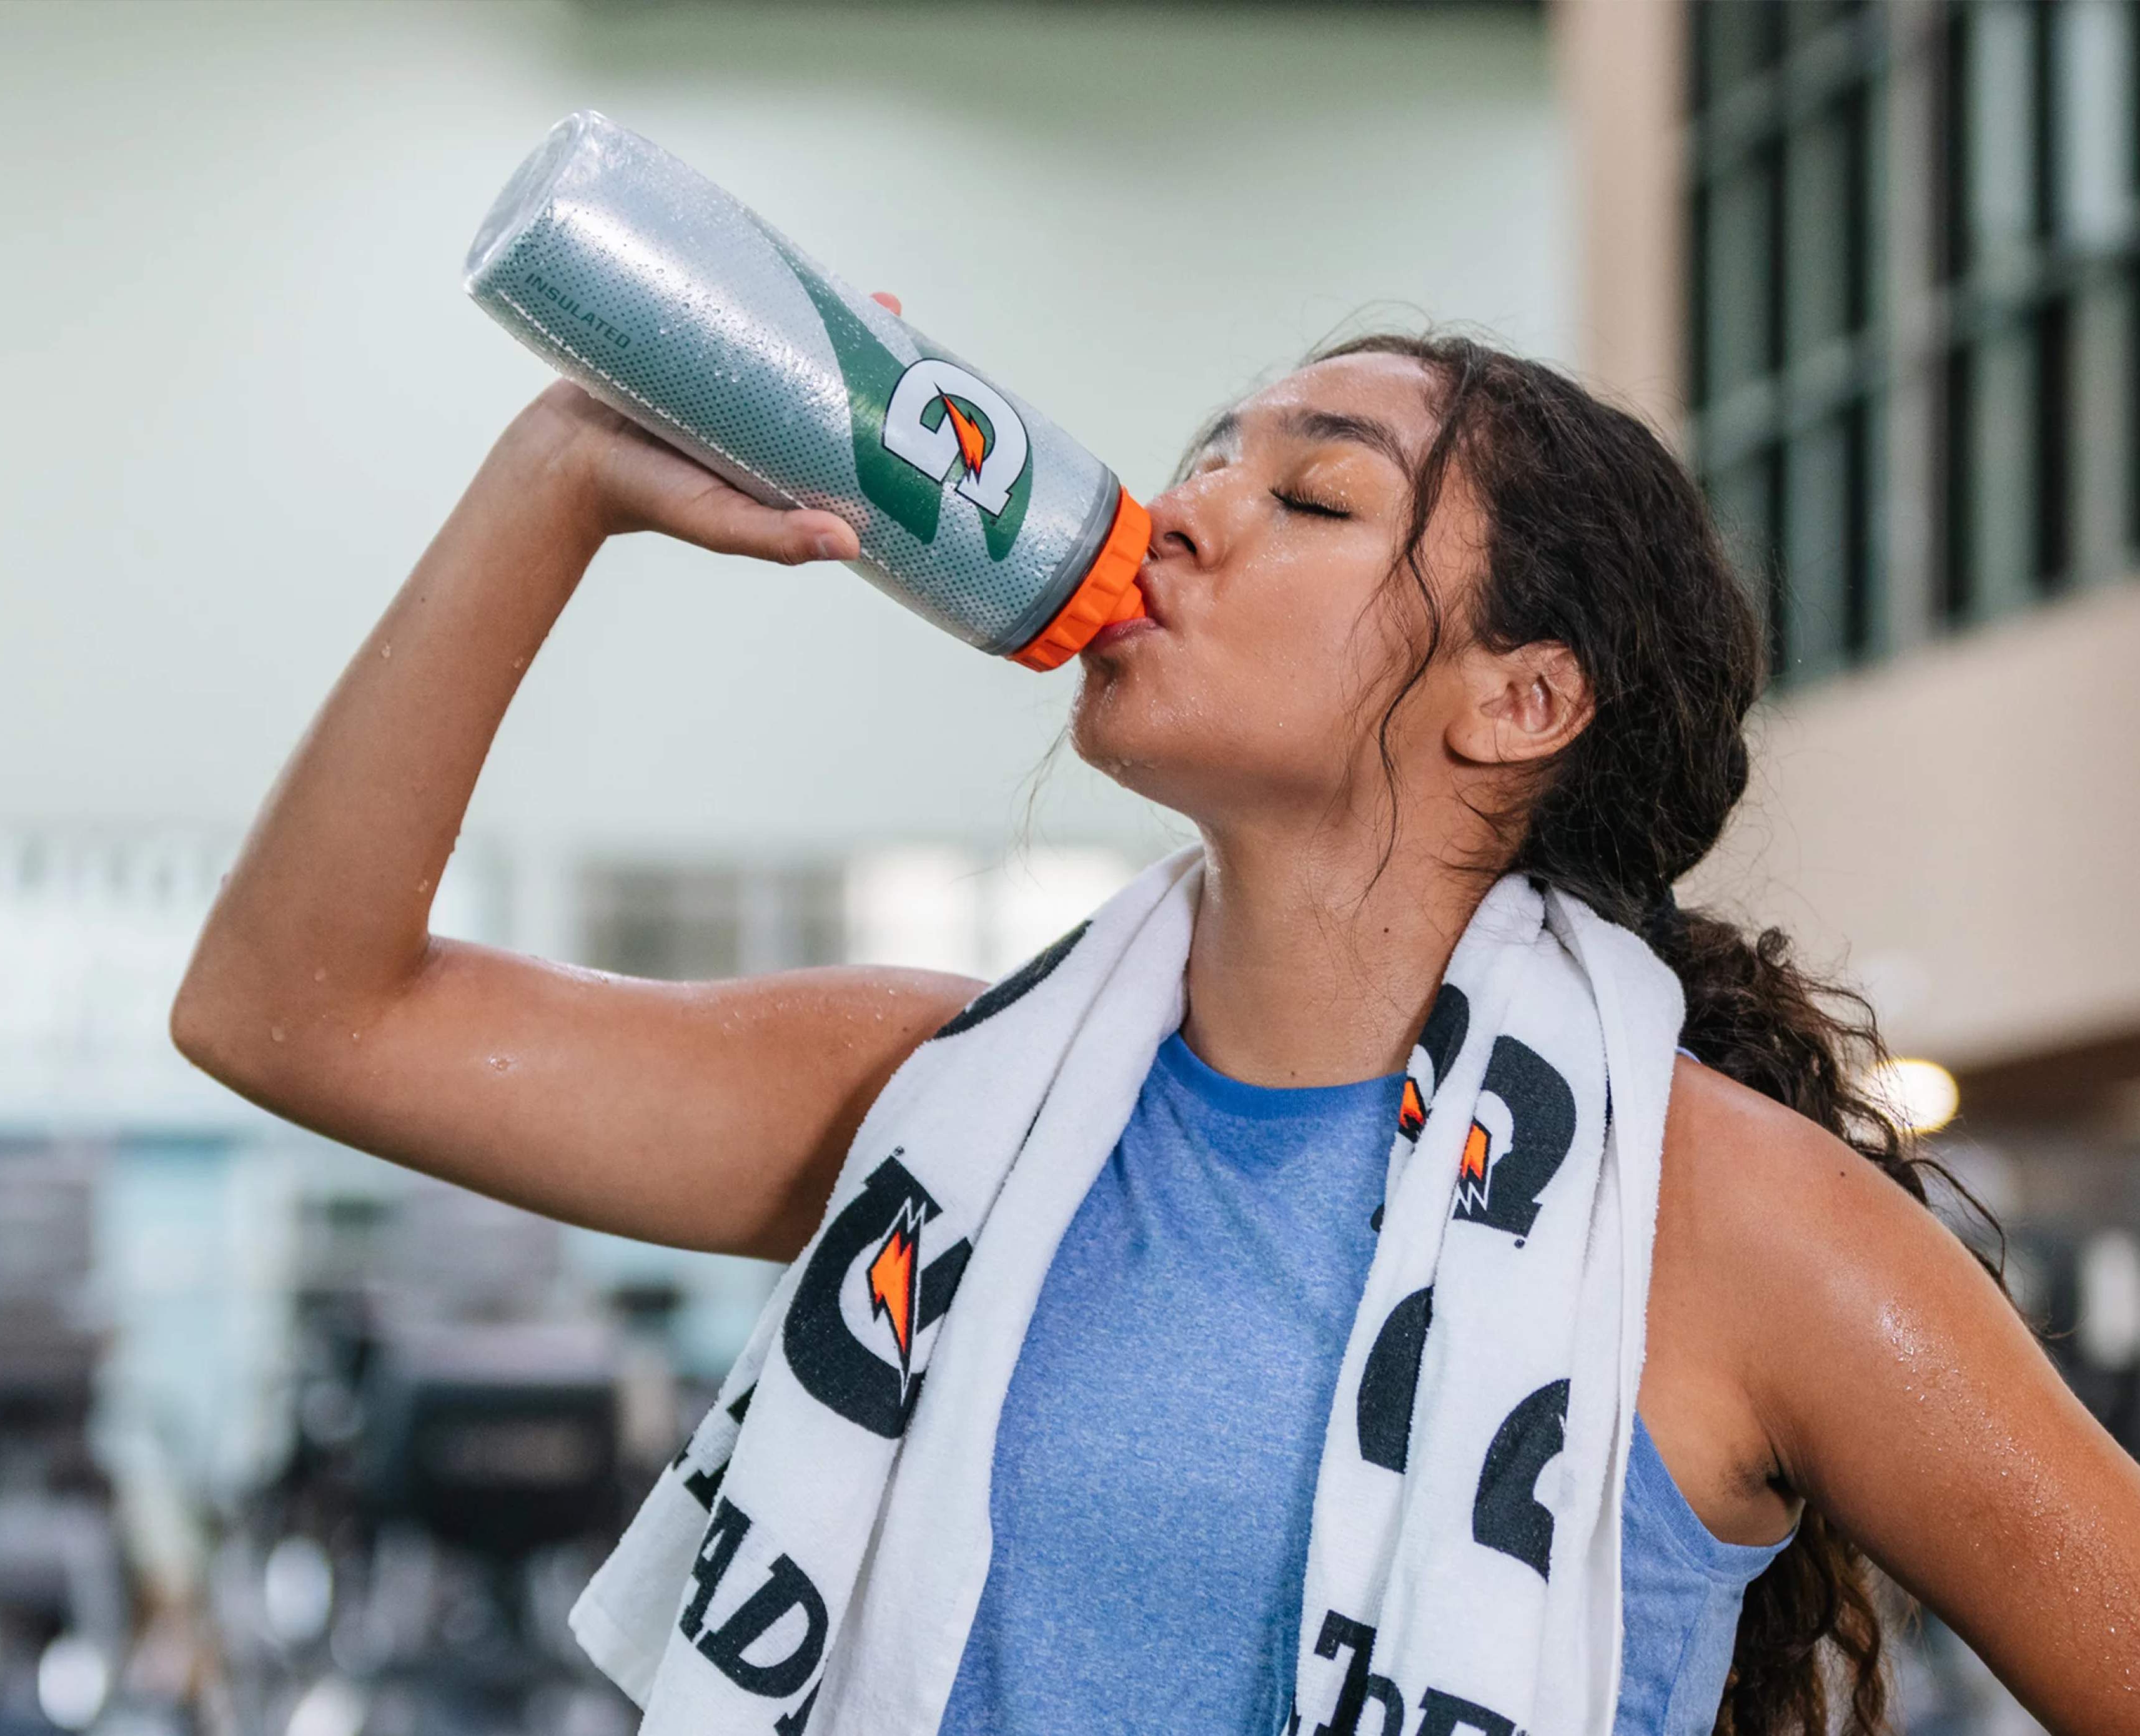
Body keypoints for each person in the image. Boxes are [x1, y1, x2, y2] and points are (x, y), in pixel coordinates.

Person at [172, 318, 2140, 1736]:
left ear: (1519, 701)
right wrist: (558, 480)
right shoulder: (943, 1105)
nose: (1183, 509)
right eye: (1209, 452)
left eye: (1309, 492)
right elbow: (295, 1010)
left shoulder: (1728, 1227)